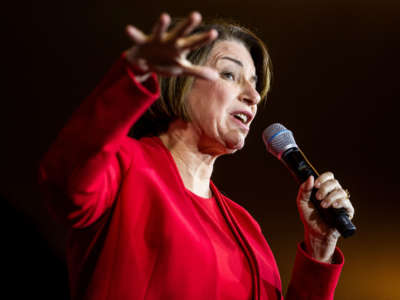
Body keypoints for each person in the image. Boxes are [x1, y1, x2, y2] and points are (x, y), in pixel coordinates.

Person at [38, 11, 355, 300]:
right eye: (230, 75)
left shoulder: (247, 230)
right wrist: (134, 74)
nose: (254, 96)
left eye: (255, 84)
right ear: (179, 79)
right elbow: (67, 181)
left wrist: (319, 247)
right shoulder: (125, 167)